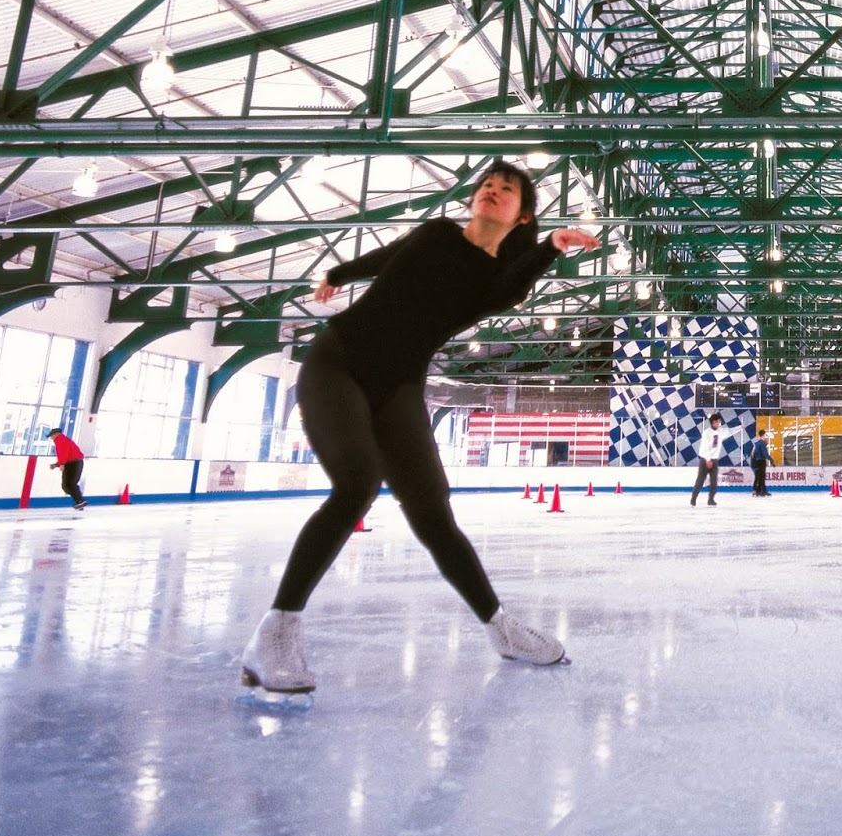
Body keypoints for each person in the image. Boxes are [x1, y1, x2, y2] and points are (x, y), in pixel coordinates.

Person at [239, 161, 597, 695]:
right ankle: (275, 633)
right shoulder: (433, 233)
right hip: (338, 361)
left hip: (399, 386)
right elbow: (389, 256)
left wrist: (551, 247)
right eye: (486, 186)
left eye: (506, 190)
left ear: (521, 215)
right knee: (356, 485)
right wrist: (338, 274)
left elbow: (514, 285)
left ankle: (502, 630)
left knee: (433, 511)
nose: (491, 191)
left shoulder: (497, 282)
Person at [46, 427, 86, 511]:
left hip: (73, 464)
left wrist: (62, 464)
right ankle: (79, 501)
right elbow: (66, 454)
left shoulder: (60, 440)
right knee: (68, 485)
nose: (51, 438)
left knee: (69, 484)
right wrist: (57, 464)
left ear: (56, 434)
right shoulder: (63, 440)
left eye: (51, 436)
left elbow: (64, 452)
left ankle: (80, 501)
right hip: (74, 463)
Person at [692, 412, 726, 507]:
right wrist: (708, 459)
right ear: (714, 422)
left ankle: (711, 499)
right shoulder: (706, 433)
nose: (720, 423)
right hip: (705, 459)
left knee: (714, 481)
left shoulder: (720, 431)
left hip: (714, 460)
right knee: (700, 480)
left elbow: (729, 431)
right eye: (718, 421)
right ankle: (693, 498)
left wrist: (740, 427)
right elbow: (705, 447)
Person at [748, 426, 772, 496]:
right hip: (757, 462)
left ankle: (758, 490)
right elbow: (754, 454)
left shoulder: (757, 443)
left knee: (759, 477)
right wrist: (771, 460)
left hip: (756, 462)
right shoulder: (759, 443)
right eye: (765, 435)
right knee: (759, 477)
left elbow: (753, 454)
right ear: (763, 435)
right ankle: (758, 490)